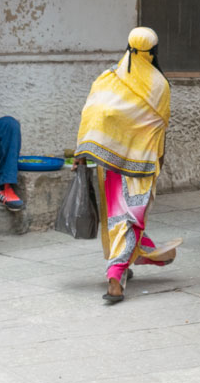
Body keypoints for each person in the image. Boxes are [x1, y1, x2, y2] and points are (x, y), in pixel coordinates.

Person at [74, 27, 181, 304]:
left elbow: (93, 113)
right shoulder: (159, 85)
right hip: (140, 164)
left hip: (108, 162)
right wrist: (160, 160)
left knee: (116, 217)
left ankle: (123, 266)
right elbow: (160, 129)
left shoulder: (109, 77)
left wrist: (83, 151)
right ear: (155, 52)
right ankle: (115, 278)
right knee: (130, 218)